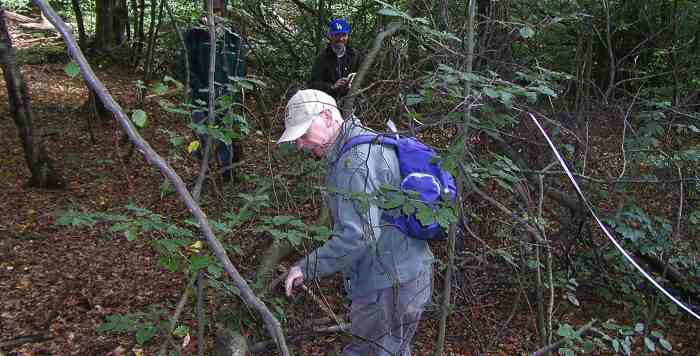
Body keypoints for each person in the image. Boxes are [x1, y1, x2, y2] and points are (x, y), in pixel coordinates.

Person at [278, 89, 433, 356]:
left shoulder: (354, 161)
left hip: (387, 285)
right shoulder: (365, 142)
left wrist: (306, 268)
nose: (301, 145)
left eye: (304, 135)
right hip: (407, 275)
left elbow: (358, 236)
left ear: (327, 117)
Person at [184, 0, 245, 183]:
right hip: (199, 98)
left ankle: (227, 172)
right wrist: (200, 89)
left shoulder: (232, 35)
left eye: (218, 10)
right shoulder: (194, 34)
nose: (215, 15)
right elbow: (185, 66)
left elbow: (240, 65)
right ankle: (206, 172)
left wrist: (230, 90)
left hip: (225, 97)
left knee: (226, 135)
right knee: (202, 136)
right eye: (211, 10)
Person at [308, 19, 362, 100]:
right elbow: (313, 84)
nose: (340, 38)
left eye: (343, 35)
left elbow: (363, 76)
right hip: (327, 102)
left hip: (350, 100)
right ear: (330, 35)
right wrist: (332, 86)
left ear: (348, 36)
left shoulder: (354, 55)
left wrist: (354, 81)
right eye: (337, 35)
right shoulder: (322, 58)